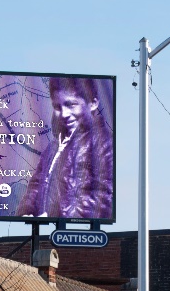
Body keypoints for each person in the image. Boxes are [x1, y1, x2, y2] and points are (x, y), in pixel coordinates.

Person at [18, 77, 113, 220]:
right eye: (57, 107)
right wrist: (26, 211)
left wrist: (55, 216)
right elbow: (36, 185)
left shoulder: (104, 144)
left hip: (69, 229)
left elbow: (103, 198)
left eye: (71, 105)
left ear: (93, 103)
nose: (64, 114)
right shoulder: (53, 148)